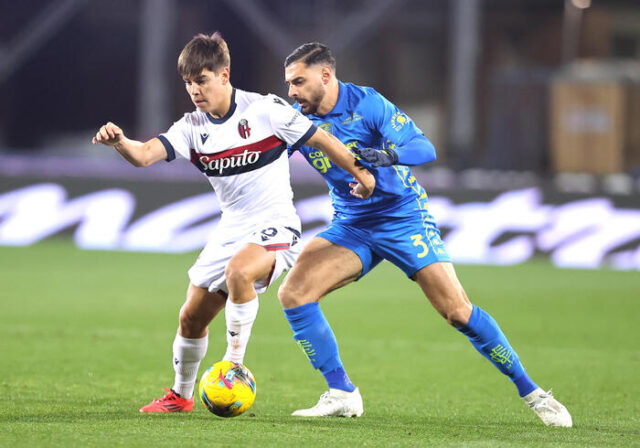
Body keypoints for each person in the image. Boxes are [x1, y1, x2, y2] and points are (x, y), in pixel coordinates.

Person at [277, 42, 572, 427]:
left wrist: (389, 156)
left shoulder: (368, 104)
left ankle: (533, 393)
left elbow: (424, 147)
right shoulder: (294, 118)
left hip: (402, 216)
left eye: (298, 82)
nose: (292, 92)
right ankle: (342, 393)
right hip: (353, 223)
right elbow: (265, 158)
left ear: (326, 75)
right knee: (294, 293)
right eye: (288, 84)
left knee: (457, 311)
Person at [92, 33, 375, 413]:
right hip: (232, 228)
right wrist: (121, 142)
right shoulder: (191, 126)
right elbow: (144, 156)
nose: (194, 90)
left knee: (240, 271)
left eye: (202, 80)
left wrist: (364, 175)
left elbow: (322, 139)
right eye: (189, 82)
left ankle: (234, 366)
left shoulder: (265, 110)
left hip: (277, 225)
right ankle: (181, 395)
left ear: (224, 74)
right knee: (191, 316)